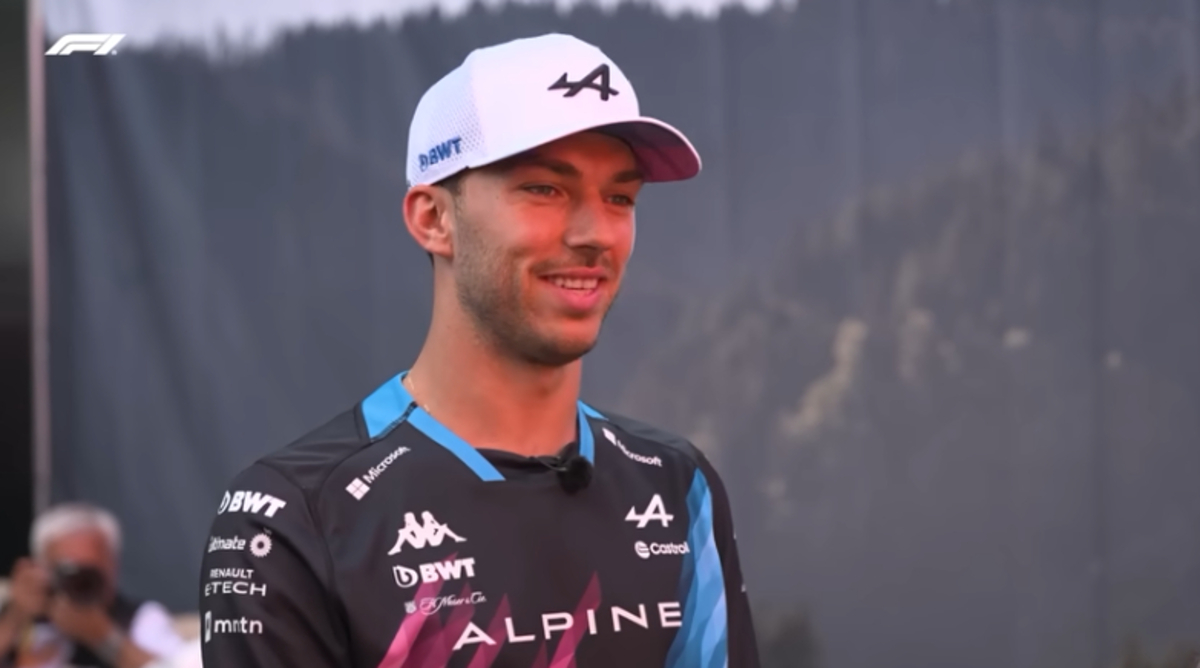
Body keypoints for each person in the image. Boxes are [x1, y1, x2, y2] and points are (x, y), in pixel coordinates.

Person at [200, 33, 760, 667]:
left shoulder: (677, 483)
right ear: (433, 219)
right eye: (544, 189)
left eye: (620, 198)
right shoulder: (292, 518)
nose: (594, 233)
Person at [0, 503, 185, 668]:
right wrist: (14, 617)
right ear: (42, 568)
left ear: (113, 566)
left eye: (88, 574)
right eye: (66, 572)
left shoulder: (142, 620)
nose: (77, 584)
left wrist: (103, 637)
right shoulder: (25, 621)